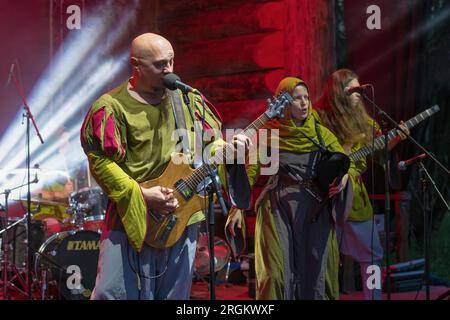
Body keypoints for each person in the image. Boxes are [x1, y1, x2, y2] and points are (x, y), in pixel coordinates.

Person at [80, 33, 251, 300]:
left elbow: (210, 145)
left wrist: (229, 151)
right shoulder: (111, 107)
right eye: (160, 64)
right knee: (112, 293)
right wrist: (143, 195)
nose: (169, 70)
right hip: (132, 218)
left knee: (175, 295)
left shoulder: (188, 100)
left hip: (183, 218)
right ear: (136, 65)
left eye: (171, 61)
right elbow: (101, 161)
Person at [227, 77, 355, 300]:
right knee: (276, 273)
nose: (304, 103)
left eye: (306, 97)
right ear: (284, 102)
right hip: (278, 207)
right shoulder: (267, 133)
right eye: (297, 99)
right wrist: (236, 208)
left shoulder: (320, 133)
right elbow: (250, 170)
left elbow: (346, 164)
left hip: (314, 208)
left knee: (316, 271)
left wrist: (343, 179)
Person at [315, 69, 409, 300]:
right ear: (339, 92)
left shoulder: (364, 120)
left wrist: (396, 138)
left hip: (355, 196)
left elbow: (378, 148)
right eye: (354, 89)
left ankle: (374, 296)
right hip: (323, 197)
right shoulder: (320, 117)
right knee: (323, 256)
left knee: (373, 254)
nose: (359, 93)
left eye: (360, 89)